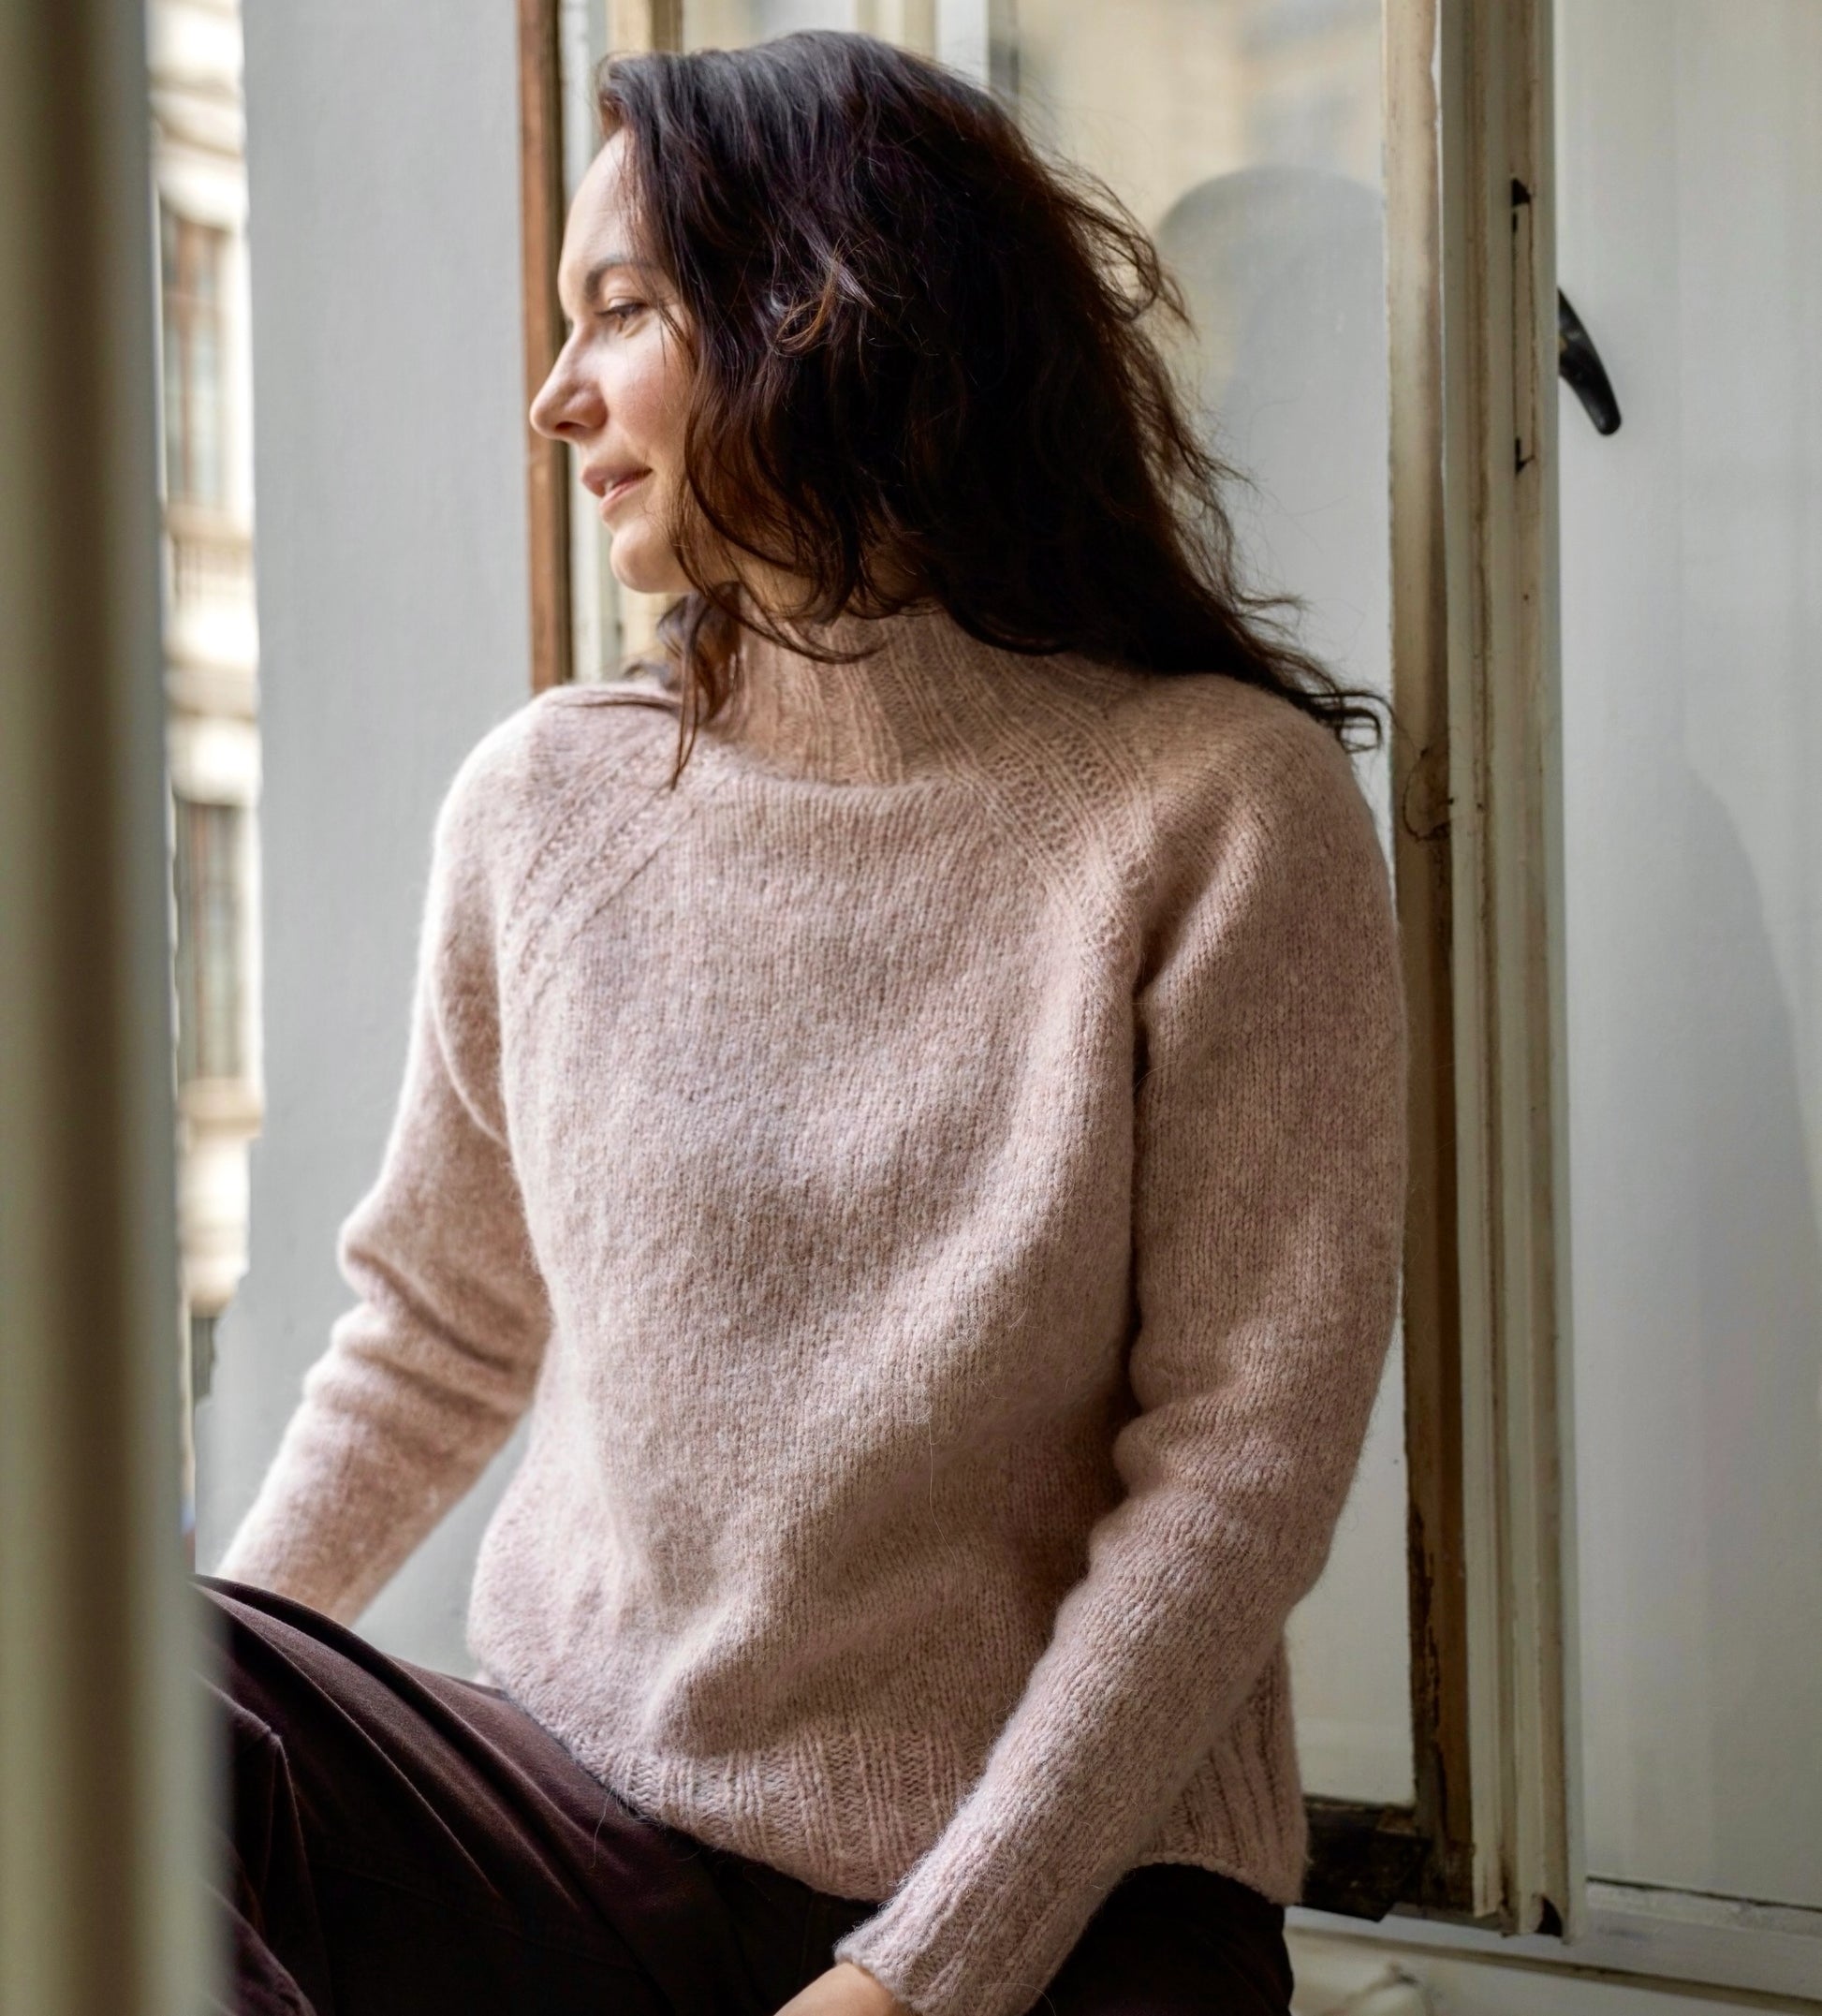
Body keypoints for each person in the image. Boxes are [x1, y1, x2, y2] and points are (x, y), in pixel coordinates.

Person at [206, 31, 1405, 2016]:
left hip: (1070, 1908)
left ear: (817, 312)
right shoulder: (546, 805)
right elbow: (431, 1330)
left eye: (617, 313)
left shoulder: (1214, 813)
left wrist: (908, 1985)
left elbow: (1236, 1475)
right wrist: (204, 1744)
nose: (553, 395)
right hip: (591, 1836)